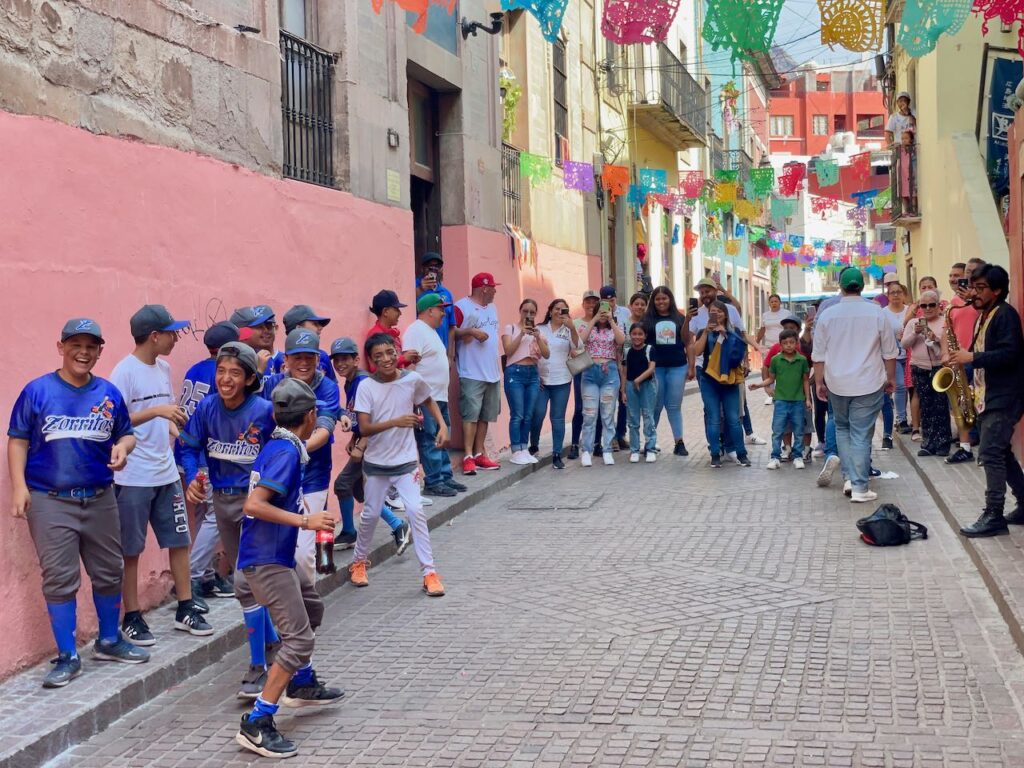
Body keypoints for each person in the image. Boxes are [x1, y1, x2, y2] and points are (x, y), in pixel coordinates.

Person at [7, 318, 149, 688]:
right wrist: (19, 488)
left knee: (108, 572)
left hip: (101, 497)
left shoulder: (108, 393)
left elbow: (127, 435)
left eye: (91, 346)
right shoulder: (37, 391)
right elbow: (18, 440)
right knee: (59, 579)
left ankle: (109, 639)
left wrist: (123, 448)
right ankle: (67, 655)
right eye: (76, 345)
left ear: (100, 350)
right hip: (50, 500)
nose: (83, 353)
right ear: (61, 347)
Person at [235, 378, 344, 759]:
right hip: (265, 561)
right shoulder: (284, 451)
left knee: (312, 606)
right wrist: (306, 523)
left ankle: (301, 682)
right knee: (298, 639)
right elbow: (253, 504)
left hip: (275, 556)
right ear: (311, 415)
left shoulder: (284, 445)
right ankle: (258, 722)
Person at [179, 342, 277, 699]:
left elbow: (284, 453)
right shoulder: (207, 408)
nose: (225, 378)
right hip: (222, 501)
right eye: (221, 371)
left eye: (235, 372)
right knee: (247, 575)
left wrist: (269, 494)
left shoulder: (265, 412)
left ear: (250, 378)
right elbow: (188, 446)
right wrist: (192, 477)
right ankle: (272, 643)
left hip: (257, 504)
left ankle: (257, 668)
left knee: (246, 580)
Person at [111, 305, 212, 646]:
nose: (176, 338)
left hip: (165, 472)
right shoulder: (123, 373)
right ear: (154, 336)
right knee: (131, 549)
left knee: (179, 540)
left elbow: (165, 413)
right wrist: (157, 411)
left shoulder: (164, 367)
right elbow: (116, 424)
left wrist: (174, 427)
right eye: (171, 333)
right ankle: (133, 617)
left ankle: (185, 607)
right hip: (133, 477)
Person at [348, 333, 448, 594]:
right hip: (376, 465)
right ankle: (358, 563)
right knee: (370, 515)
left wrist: (442, 424)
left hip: (406, 463)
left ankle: (430, 573)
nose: (386, 359)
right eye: (378, 355)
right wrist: (396, 421)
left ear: (397, 352)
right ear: (371, 360)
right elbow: (365, 428)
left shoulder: (411, 379)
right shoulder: (366, 387)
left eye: (390, 352)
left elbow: (426, 398)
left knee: (415, 511)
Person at [261, 329, 341, 586]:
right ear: (286, 359)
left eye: (310, 357)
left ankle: (307, 607)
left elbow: (324, 429)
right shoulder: (273, 384)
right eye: (298, 357)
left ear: (318, 359)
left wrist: (295, 448)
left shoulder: (327, 387)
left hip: (314, 475)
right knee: (279, 545)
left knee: (303, 551)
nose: (304, 363)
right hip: (279, 475)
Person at [812, 268, 898, 503]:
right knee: (861, 434)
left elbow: (818, 354)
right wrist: (891, 378)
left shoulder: (828, 315)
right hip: (868, 382)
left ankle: (850, 478)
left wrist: (819, 381)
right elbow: (890, 351)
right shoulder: (877, 313)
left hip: (837, 382)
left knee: (842, 429)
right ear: (861, 287)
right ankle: (860, 487)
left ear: (840, 286)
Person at [954, 266, 1024, 537]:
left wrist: (971, 358)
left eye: (980, 288)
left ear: (996, 290)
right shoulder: (983, 316)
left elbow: (1009, 354)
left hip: (1004, 396)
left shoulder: (1004, 315)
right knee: (1001, 452)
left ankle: (994, 514)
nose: (974, 293)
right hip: (988, 395)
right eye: (973, 287)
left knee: (990, 453)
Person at [329, 338, 411, 554]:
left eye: (345, 359)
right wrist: (353, 439)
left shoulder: (364, 381)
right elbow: (360, 416)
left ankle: (349, 532)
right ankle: (397, 525)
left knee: (342, 484)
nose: (340, 364)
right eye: (336, 360)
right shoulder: (351, 382)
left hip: (374, 445)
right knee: (361, 490)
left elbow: (375, 416)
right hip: (367, 443)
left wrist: (362, 445)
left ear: (356, 360)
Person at [177, 321, 240, 602]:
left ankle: (203, 578)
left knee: (203, 516)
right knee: (216, 516)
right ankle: (190, 576)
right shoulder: (224, 374)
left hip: (185, 451)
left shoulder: (194, 368)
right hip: (204, 455)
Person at [405, 294, 465, 494]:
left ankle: (445, 476)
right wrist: (415, 398)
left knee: (443, 436)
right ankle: (433, 482)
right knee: (430, 439)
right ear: (429, 310)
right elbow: (410, 366)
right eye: (440, 309)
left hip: (439, 396)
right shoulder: (416, 331)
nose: (443, 313)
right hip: (426, 399)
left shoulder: (431, 331)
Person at [691, 301, 751, 468]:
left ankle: (741, 454)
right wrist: (706, 333)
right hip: (709, 379)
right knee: (714, 418)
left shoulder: (735, 331)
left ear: (725, 314)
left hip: (729, 380)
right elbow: (696, 352)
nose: (715, 314)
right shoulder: (704, 331)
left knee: (733, 418)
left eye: (718, 311)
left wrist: (726, 334)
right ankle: (715, 454)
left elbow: (739, 351)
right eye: (712, 311)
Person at [455, 274, 503, 474]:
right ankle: (467, 456)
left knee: (486, 415)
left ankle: (479, 453)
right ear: (484, 288)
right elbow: (452, 331)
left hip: (491, 371)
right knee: (471, 415)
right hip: (471, 370)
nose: (495, 291)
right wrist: (471, 332)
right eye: (492, 287)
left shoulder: (492, 308)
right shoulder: (461, 307)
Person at [529, 298, 579, 469]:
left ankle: (557, 453)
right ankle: (534, 444)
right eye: (557, 309)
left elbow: (578, 346)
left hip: (562, 380)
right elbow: (531, 352)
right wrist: (535, 376)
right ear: (550, 311)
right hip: (542, 380)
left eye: (564, 309)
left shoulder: (568, 330)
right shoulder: (540, 329)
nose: (559, 312)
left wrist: (572, 328)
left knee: (557, 418)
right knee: (538, 414)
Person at [751, 328, 810, 470]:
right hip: (781, 401)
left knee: (799, 429)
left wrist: (807, 399)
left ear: (796, 343)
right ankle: (775, 457)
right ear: (780, 344)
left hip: (798, 401)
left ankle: (798, 456)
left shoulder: (802, 360)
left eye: (792, 342)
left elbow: (805, 381)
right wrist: (759, 385)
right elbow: (771, 378)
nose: (789, 345)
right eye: (785, 343)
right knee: (778, 430)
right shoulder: (776, 360)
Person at [901, 290, 951, 458]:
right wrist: (915, 332)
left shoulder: (945, 321)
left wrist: (935, 338)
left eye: (932, 305)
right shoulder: (913, 322)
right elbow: (904, 344)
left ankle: (943, 443)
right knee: (926, 406)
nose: (928, 308)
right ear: (919, 307)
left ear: (938, 306)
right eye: (924, 305)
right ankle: (928, 443)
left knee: (941, 406)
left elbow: (948, 346)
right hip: (919, 368)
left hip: (939, 368)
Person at [502, 299, 549, 465]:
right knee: (518, 414)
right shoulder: (511, 328)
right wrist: (522, 333)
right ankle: (515, 450)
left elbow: (546, 354)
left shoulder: (539, 333)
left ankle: (523, 448)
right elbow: (508, 350)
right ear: (520, 311)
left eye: (532, 312)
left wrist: (537, 337)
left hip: (532, 374)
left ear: (536, 314)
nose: (528, 315)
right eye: (525, 311)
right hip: (515, 372)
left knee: (528, 414)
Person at [646, 285, 691, 456]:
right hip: (655, 368)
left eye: (664, 298)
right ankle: (650, 441)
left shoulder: (680, 318)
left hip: (677, 366)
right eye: (657, 299)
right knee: (655, 406)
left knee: (674, 406)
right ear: (653, 301)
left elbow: (688, 342)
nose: (661, 301)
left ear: (670, 299)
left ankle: (679, 442)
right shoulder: (647, 319)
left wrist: (691, 366)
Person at [579, 299, 625, 466]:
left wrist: (611, 320)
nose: (604, 313)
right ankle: (586, 450)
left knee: (607, 413)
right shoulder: (588, 327)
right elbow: (581, 340)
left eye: (606, 310)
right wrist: (594, 318)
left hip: (609, 374)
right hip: (590, 373)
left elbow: (621, 341)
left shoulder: (615, 328)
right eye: (601, 310)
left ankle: (607, 449)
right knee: (589, 414)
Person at [944, 261, 980, 464]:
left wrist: (972, 299)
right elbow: (947, 330)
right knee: (960, 404)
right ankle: (965, 447)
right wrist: (946, 354)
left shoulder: (979, 299)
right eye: (951, 276)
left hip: (978, 358)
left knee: (979, 405)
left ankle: (983, 448)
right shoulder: (952, 303)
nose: (954, 279)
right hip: (958, 360)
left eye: (958, 275)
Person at [568, 290, 601, 460]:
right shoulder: (576, 323)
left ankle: (597, 444)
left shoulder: (602, 323)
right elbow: (573, 348)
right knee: (581, 408)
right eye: (588, 302)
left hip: (600, 370)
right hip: (582, 369)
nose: (591, 305)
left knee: (600, 409)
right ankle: (574, 444)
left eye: (594, 302)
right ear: (583, 304)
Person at [266, 305, 337, 382]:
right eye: (315, 324)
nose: (320, 328)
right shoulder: (279, 360)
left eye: (310, 357)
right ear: (299, 329)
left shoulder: (323, 356)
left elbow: (332, 386)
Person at [880, 279, 912, 448]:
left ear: (904, 294)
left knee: (912, 388)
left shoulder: (910, 310)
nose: (896, 295)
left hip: (911, 354)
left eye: (899, 292)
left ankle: (917, 422)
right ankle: (901, 419)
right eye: (893, 292)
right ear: (888, 296)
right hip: (893, 355)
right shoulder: (884, 313)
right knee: (900, 386)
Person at [621, 323, 658, 463]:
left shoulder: (649, 349)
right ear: (630, 335)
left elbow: (652, 368)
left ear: (645, 336)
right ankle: (634, 449)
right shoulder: (627, 351)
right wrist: (623, 390)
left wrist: (638, 380)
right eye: (634, 334)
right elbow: (624, 372)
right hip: (631, 386)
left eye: (640, 334)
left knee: (648, 416)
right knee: (633, 419)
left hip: (647, 385)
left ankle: (650, 448)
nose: (637, 337)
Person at [600, 285, 630, 449]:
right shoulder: (600, 313)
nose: (610, 304)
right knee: (608, 401)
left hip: (623, 357)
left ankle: (621, 434)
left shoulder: (625, 312)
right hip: (609, 360)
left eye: (612, 300)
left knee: (623, 399)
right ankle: (609, 437)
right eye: (606, 301)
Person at [414, 251, 457, 359]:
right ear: (422, 268)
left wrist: (450, 356)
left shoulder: (446, 293)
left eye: (437, 266)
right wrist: (420, 290)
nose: (434, 270)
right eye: (430, 267)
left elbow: (451, 327)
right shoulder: (413, 287)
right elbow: (407, 312)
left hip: (441, 351)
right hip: (421, 352)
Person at [366, 290, 420, 373]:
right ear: (386, 312)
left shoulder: (393, 334)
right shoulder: (375, 335)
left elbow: (398, 365)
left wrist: (410, 359)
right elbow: (375, 368)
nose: (400, 313)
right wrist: (403, 358)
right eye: (396, 309)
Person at [756, 295, 788, 405]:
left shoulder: (786, 314)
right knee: (768, 369)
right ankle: (770, 394)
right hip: (769, 346)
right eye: (772, 302)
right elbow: (762, 329)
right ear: (769, 303)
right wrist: (756, 343)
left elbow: (791, 328)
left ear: (780, 302)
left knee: (782, 369)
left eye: (776, 301)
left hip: (783, 346)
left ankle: (782, 392)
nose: (774, 303)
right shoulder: (765, 315)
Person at [229, 305, 278, 373]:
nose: (266, 330)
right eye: (259, 327)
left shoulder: (283, 360)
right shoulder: (230, 363)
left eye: (268, 325)